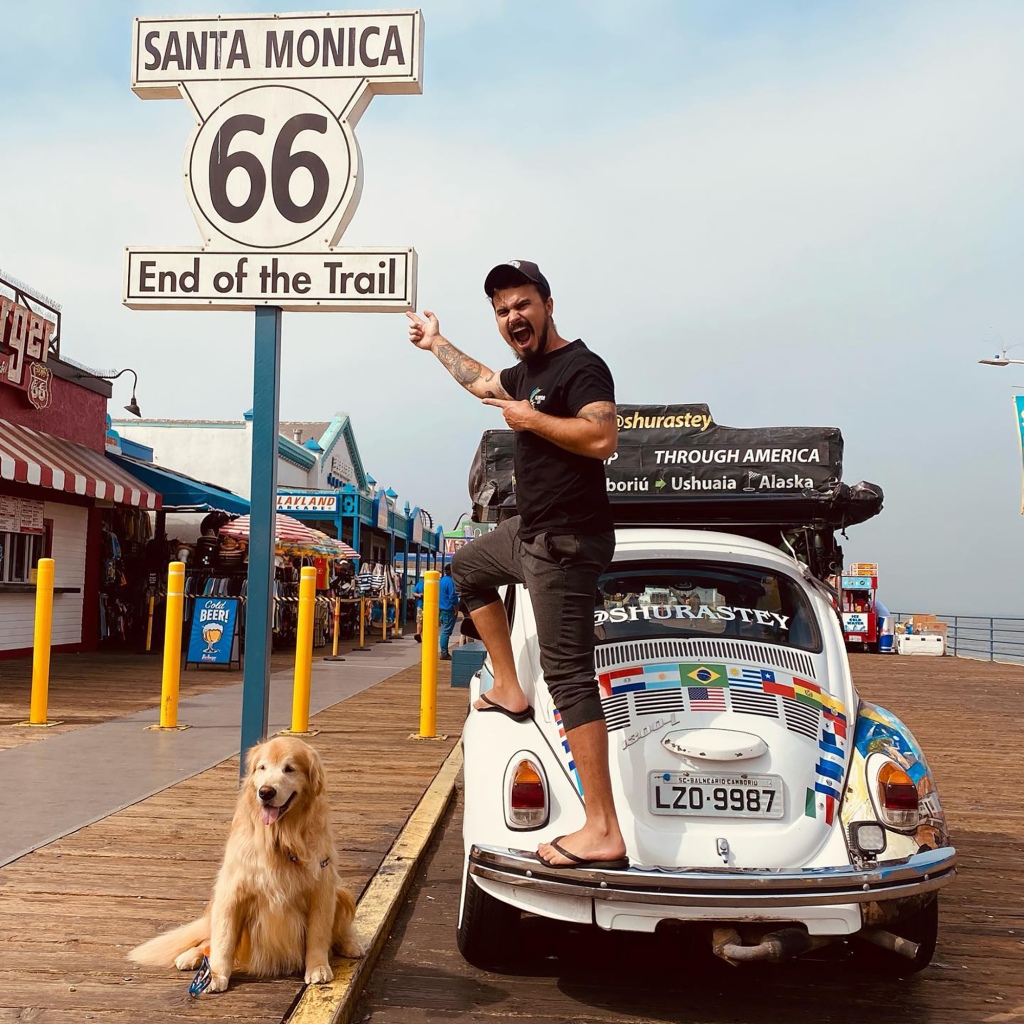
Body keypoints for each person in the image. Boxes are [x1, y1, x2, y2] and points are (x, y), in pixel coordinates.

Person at [406, 259, 627, 871]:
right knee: (468, 569)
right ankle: (508, 684)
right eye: (502, 311)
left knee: (569, 675)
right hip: (529, 533)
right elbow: (482, 382)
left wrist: (530, 419)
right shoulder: (526, 372)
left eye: (522, 305)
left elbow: (602, 437)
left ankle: (602, 828)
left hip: (566, 543)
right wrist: (435, 344)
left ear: (548, 304)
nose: (512, 318)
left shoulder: (581, 367)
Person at [438, 564, 458, 660]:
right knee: (446, 632)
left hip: (441, 609)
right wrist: (456, 609)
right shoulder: (450, 582)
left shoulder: (441, 581)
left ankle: (443, 651)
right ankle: (444, 652)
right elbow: (453, 596)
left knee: (444, 631)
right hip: (449, 609)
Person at [412, 575, 425, 642]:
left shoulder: (420, 583)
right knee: (420, 621)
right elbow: (414, 593)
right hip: (421, 606)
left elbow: (413, 593)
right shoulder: (420, 583)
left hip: (422, 606)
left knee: (420, 621)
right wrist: (419, 595)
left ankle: (418, 634)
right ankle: (418, 634)